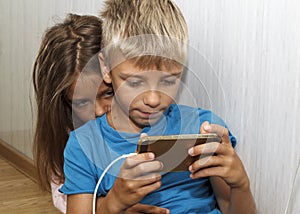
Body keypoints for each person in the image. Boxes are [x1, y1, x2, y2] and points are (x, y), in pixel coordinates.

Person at [61, 1, 257, 213]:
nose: (153, 99)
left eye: (168, 81)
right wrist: (114, 202)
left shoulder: (203, 128)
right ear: (106, 67)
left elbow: (231, 206)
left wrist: (241, 185)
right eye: (135, 82)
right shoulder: (84, 145)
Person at [32, 13, 168, 214]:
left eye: (108, 93)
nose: (97, 111)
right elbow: (65, 201)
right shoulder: (72, 138)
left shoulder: (148, 117)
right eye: (81, 102)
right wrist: (110, 206)